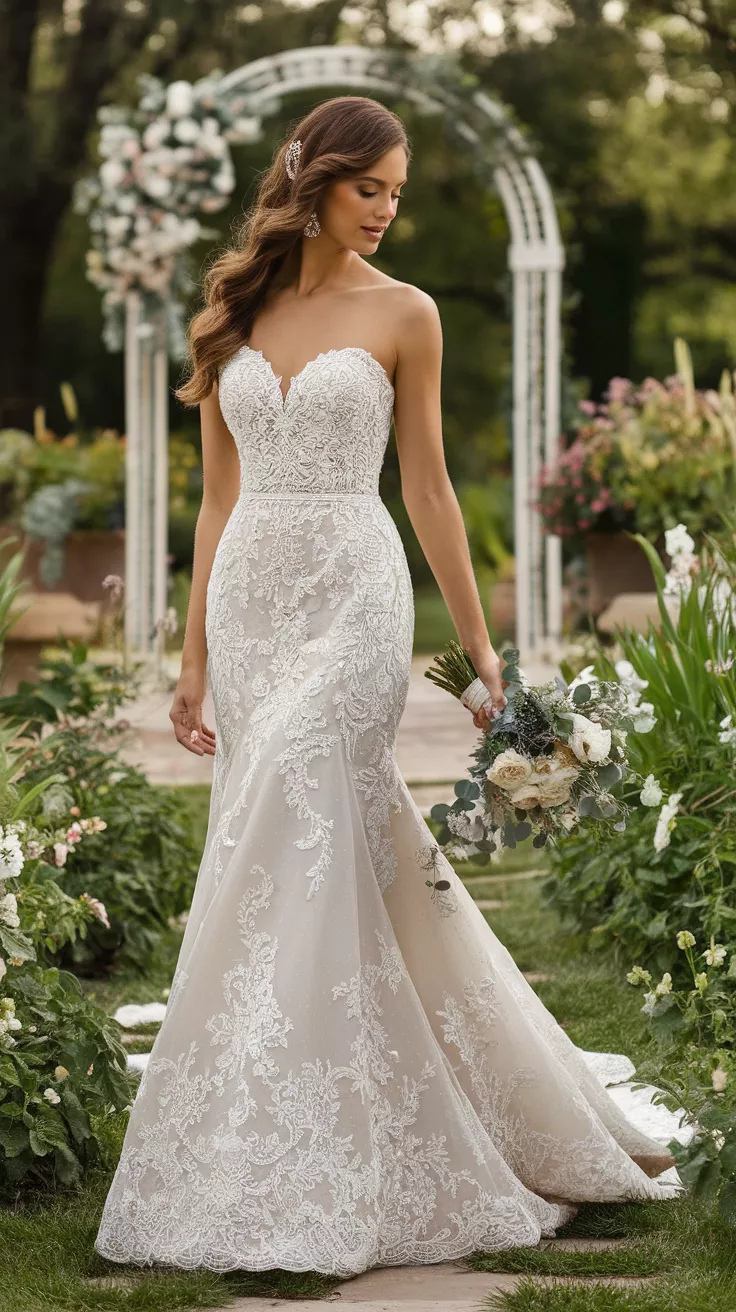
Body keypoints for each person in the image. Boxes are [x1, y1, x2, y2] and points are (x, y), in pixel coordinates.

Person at [94, 94, 674, 1278]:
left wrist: (480, 651)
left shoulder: (406, 313)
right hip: (255, 602)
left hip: (357, 600)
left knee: (306, 799)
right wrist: (193, 657)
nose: (389, 210)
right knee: (291, 845)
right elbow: (214, 501)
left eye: (399, 192)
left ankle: (326, 1152)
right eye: (374, 189)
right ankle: (267, 1125)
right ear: (312, 183)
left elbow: (428, 490)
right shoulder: (236, 309)